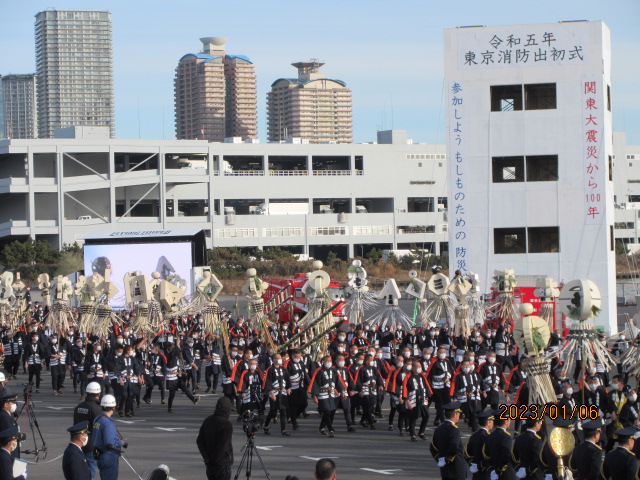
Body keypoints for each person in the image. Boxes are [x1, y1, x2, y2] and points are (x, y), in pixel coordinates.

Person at [197, 397, 234, 480]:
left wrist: (207, 458)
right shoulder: (226, 425)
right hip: (222, 465)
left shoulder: (208, 420)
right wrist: (215, 460)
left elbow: (199, 441)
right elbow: (223, 446)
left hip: (210, 466)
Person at [429, 402, 467, 480]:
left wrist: (440, 458)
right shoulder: (454, 429)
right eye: (458, 414)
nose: (459, 416)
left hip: (445, 469)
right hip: (456, 469)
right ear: (454, 414)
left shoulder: (439, 428)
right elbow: (454, 446)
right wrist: (448, 458)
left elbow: (433, 447)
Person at [73, 382, 102, 479]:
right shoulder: (96, 408)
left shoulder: (79, 406)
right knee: (91, 465)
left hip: (78, 440)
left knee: (81, 466)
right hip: (91, 442)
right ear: (98, 394)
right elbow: (98, 427)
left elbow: (75, 424)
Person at [92, 394, 122, 480]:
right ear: (113, 407)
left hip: (100, 454)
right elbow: (109, 443)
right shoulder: (108, 422)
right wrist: (120, 443)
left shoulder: (97, 418)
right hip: (109, 455)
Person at [511, 411, 544, 480]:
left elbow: (514, 457)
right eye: (540, 422)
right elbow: (537, 460)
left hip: (522, 475)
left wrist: (519, 468)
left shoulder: (519, 438)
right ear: (536, 423)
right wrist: (528, 470)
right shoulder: (537, 440)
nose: (541, 424)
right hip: (535, 476)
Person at [464, 409, 493, 480]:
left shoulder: (474, 435)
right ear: (488, 422)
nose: (493, 423)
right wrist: (481, 465)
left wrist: (472, 464)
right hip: (487, 472)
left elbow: (466, 452)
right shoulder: (489, 437)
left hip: (476, 472)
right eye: (492, 420)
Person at [485, 414, 515, 480]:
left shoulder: (491, 435)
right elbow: (506, 455)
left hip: (492, 470)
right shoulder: (506, 437)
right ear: (505, 421)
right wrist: (499, 470)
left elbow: (486, 453)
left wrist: (491, 468)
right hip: (505, 473)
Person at [0, 394, 21, 460]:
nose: (15, 405)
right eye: (12, 403)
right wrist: (18, 436)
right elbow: (7, 434)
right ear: (6, 405)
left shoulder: (9, 414)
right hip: (8, 448)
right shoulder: (4, 416)